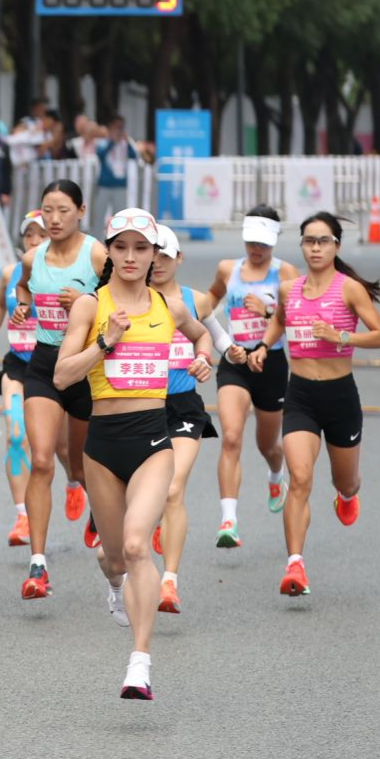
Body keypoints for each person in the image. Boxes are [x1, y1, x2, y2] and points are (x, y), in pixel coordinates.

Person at [53, 209, 214, 701]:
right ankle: (114, 579)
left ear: (155, 256)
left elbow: (201, 333)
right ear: (110, 251)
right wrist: (106, 341)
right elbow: (62, 376)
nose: (130, 257)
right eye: (120, 247)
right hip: (102, 445)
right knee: (116, 555)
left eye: (140, 249)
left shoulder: (170, 305)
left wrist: (203, 356)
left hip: (151, 437)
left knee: (141, 545)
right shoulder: (90, 306)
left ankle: (139, 664)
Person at [248, 212, 380, 598]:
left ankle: (346, 494)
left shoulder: (350, 290)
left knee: (345, 479)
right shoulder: (289, 289)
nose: (315, 247)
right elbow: (278, 321)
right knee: (300, 478)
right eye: (309, 241)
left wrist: (342, 336)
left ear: (336, 246)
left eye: (323, 241)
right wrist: (263, 346)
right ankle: (295, 564)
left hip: (341, 397)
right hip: (301, 397)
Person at [12, 179, 106, 599]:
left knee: (82, 463)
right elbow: (22, 285)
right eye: (47, 210)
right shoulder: (34, 257)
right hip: (45, 363)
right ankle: (38, 563)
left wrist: (87, 303)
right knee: (42, 459)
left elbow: (124, 299)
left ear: (81, 211)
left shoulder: (97, 254)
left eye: (63, 210)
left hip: (88, 367)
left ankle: (94, 509)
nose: (53, 219)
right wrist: (23, 304)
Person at [206, 207, 295, 548]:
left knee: (267, 445)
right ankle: (229, 519)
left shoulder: (285, 272)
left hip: (270, 363)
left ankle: (276, 475)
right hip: (236, 361)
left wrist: (270, 310)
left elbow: (297, 314)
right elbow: (209, 300)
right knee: (230, 437)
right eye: (251, 241)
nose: (256, 249)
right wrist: (216, 335)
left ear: (273, 241)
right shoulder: (228, 269)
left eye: (264, 243)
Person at [0, 210, 57, 549]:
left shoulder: (61, 275)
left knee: (61, 449)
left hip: (53, 367)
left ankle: (75, 486)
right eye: (29, 236)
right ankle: (22, 514)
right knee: (15, 435)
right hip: (17, 363)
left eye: (41, 236)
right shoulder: (11, 273)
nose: (35, 242)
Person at [150, 226, 217, 614]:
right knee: (138, 492)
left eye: (164, 255)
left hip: (183, 404)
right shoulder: (126, 302)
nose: (156, 262)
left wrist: (207, 357)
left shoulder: (193, 300)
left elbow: (213, 334)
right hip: (137, 407)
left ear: (178, 259)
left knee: (174, 488)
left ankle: (169, 582)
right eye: (150, 254)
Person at [92, 116, 139, 231]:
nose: (118, 130)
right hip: (104, 185)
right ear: (110, 128)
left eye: (121, 127)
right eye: (116, 127)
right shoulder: (103, 142)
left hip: (120, 186)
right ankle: (97, 241)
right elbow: (101, 154)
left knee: (119, 216)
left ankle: (116, 239)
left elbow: (134, 155)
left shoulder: (125, 144)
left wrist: (127, 141)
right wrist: (112, 141)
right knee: (99, 215)